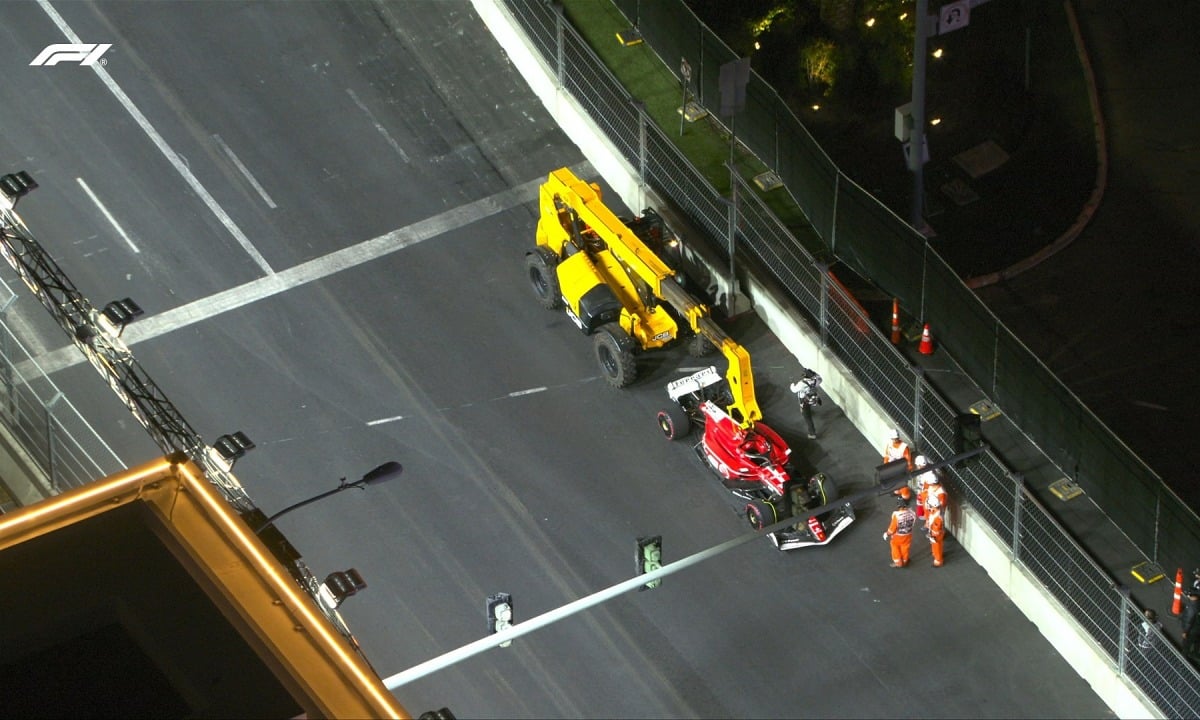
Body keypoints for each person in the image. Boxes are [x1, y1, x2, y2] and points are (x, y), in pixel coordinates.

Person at [883, 495, 917, 568]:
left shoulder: (897, 515)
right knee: (905, 547)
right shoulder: (912, 513)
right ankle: (905, 560)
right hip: (908, 534)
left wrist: (887, 533)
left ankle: (898, 562)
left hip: (898, 536)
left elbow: (892, 528)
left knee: (895, 546)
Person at [789, 368, 822, 440]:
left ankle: (812, 433)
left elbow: (794, 390)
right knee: (809, 406)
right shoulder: (816, 380)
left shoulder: (802, 383)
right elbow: (820, 379)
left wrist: (792, 384)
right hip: (812, 397)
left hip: (804, 400)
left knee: (808, 418)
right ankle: (808, 410)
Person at [883, 429, 914, 501]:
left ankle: (905, 498)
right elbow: (887, 456)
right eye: (893, 439)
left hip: (901, 469)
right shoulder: (889, 444)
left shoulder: (904, 447)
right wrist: (885, 466)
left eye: (896, 438)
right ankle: (896, 492)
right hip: (892, 467)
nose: (895, 440)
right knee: (893, 482)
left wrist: (907, 471)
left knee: (903, 485)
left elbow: (908, 461)